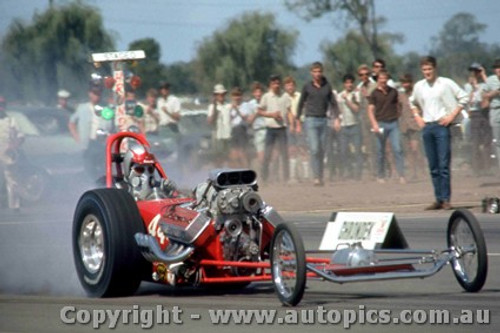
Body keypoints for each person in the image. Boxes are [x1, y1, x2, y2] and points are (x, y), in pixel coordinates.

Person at [410, 56, 469, 210]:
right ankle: (438, 199)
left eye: (429, 69)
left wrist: (451, 116)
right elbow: (412, 102)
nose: (427, 72)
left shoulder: (445, 83)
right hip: (427, 127)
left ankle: (446, 199)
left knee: (443, 164)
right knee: (433, 166)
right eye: (424, 70)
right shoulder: (419, 86)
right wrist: (417, 116)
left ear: (435, 68)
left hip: (442, 126)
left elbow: (464, 97)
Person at [297, 61, 340, 186]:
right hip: (310, 119)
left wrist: (336, 118)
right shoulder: (307, 86)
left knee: (321, 149)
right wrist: (297, 121)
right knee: (314, 149)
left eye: (319, 71)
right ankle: (316, 176)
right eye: (315, 72)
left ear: (322, 72)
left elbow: (333, 103)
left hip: (323, 119)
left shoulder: (327, 86)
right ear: (311, 73)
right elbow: (300, 104)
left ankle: (320, 175)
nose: (317, 74)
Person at [367, 69, 406, 184]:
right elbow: (370, 110)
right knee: (380, 151)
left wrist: (399, 115)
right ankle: (380, 175)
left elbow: (399, 104)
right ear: (378, 80)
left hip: (393, 123)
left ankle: (401, 175)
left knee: (397, 149)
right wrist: (374, 123)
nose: (383, 81)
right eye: (381, 79)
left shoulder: (393, 92)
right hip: (380, 123)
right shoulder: (374, 93)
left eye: (385, 79)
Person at [68, 86, 113, 180]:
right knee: (88, 168)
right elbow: (71, 122)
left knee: (104, 168)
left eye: (98, 93)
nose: (96, 96)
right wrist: (76, 136)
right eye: (94, 93)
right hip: (88, 143)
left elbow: (111, 126)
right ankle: (91, 184)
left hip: (101, 143)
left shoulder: (106, 108)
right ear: (89, 93)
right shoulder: (82, 107)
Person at [259, 75, 291, 183]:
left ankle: (286, 177)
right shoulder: (266, 96)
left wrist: (293, 124)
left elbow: (289, 111)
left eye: (278, 83)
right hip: (270, 128)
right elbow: (260, 111)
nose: (276, 85)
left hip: (282, 128)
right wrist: (271, 115)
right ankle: (264, 177)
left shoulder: (285, 96)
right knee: (267, 153)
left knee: (284, 153)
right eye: (274, 83)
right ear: (270, 85)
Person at [464, 63, 492, 176]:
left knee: (487, 141)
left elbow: (483, 98)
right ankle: (476, 168)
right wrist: (473, 87)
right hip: (475, 113)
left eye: (477, 71)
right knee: (475, 142)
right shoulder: (467, 86)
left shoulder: (486, 84)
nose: (475, 74)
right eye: (473, 71)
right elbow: (469, 101)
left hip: (485, 112)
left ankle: (488, 167)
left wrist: (484, 76)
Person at [399, 74, 425, 180]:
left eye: (407, 82)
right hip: (404, 125)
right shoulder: (400, 95)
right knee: (408, 150)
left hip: (415, 125)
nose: (405, 84)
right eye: (403, 82)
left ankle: (422, 171)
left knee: (416, 149)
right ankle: (413, 172)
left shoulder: (416, 94)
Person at [337, 74, 363, 180]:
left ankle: (358, 173)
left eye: (351, 82)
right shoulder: (339, 95)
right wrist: (337, 121)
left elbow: (356, 109)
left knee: (357, 150)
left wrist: (347, 101)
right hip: (344, 125)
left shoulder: (356, 95)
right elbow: (338, 110)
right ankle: (349, 170)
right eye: (347, 82)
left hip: (355, 125)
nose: (349, 85)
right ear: (344, 84)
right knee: (343, 150)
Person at [0, 96, 24, 209]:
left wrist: (13, 145)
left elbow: (21, 136)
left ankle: (14, 206)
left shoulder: (11, 120)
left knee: (12, 179)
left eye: (2, 105)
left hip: (7, 153)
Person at [284, 76, 308, 183]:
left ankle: (306, 175)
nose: (290, 87)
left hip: (301, 123)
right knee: (292, 149)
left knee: (303, 148)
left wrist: (298, 123)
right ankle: (293, 176)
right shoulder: (283, 97)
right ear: (285, 87)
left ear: (295, 86)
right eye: (287, 85)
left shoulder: (299, 96)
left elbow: (303, 109)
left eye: (291, 84)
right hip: (288, 124)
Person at [356, 64, 378, 178]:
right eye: (361, 75)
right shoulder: (360, 88)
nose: (364, 76)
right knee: (369, 146)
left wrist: (367, 95)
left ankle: (381, 169)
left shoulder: (374, 86)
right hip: (364, 120)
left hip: (375, 119)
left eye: (366, 74)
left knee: (378, 145)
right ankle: (372, 170)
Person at [207, 84, 231, 167]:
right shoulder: (212, 107)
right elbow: (210, 121)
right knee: (218, 157)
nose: (221, 96)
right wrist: (214, 107)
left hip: (228, 135)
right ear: (215, 96)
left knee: (228, 156)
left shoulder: (228, 106)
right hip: (218, 135)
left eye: (223, 94)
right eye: (219, 94)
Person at [242, 82, 266, 168]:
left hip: (269, 129)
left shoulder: (266, 101)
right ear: (253, 93)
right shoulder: (250, 104)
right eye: (256, 92)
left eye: (260, 92)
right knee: (260, 153)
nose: (258, 94)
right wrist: (257, 113)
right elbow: (249, 121)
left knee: (272, 152)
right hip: (258, 130)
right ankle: (264, 172)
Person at [484, 58, 500, 171]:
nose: (498, 70)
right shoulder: (490, 80)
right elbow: (483, 95)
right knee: (498, 143)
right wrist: (491, 94)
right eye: (496, 68)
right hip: (496, 111)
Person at [229, 87, 250, 168]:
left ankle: (246, 169)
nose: (237, 98)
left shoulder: (245, 105)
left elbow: (245, 117)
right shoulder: (230, 106)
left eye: (238, 95)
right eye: (235, 95)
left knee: (242, 152)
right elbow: (230, 119)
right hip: (233, 129)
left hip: (241, 129)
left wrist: (236, 109)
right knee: (234, 154)